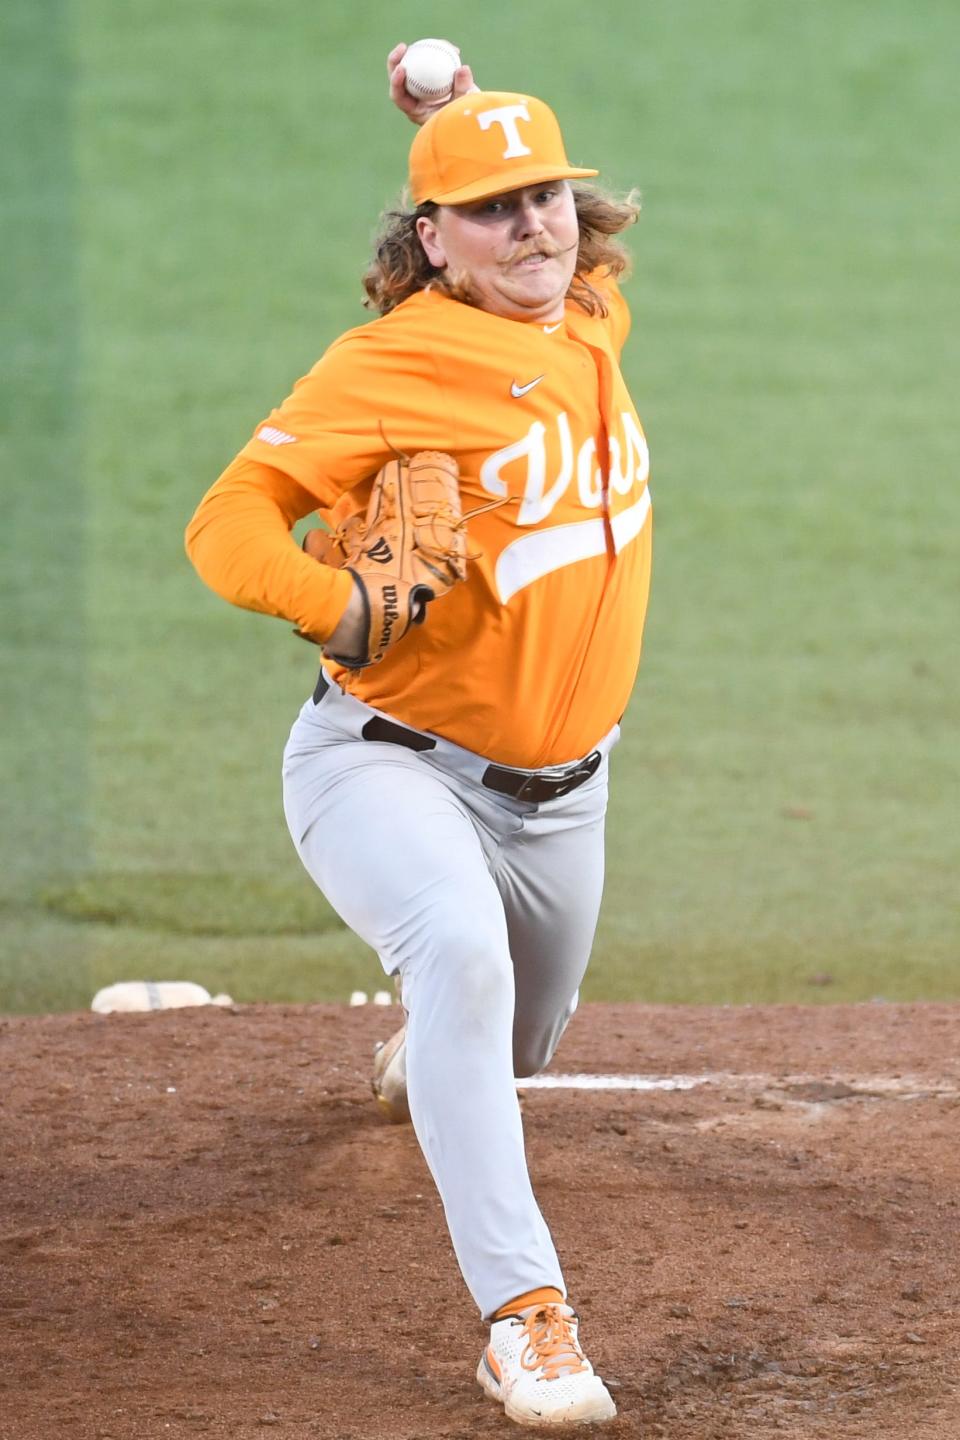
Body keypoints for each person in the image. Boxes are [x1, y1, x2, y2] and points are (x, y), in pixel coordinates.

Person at [185, 40, 650, 1429]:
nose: (534, 228)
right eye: (494, 209)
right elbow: (226, 525)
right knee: (455, 951)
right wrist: (337, 605)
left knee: (519, 1034)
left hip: (565, 798)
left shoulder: (590, 317)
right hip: (386, 764)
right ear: (432, 239)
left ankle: (427, 1057)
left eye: (547, 197)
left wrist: (457, 120)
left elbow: (519, 209)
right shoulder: (388, 365)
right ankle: (528, 1320)